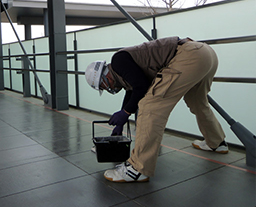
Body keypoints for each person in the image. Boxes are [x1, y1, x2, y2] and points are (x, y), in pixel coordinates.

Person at [85, 36, 228, 183]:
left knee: (150, 106)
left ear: (104, 75)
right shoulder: (122, 69)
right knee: (197, 102)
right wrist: (122, 120)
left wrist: (125, 113)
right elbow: (132, 92)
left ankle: (138, 168)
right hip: (205, 54)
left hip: (188, 56)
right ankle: (216, 142)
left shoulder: (118, 61)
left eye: (103, 85)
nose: (108, 88)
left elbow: (141, 87)